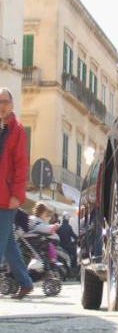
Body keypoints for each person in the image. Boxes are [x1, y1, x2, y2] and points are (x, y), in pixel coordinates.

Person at [0, 87, 34, 299]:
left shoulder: (17, 129)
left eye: (4, 101)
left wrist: (17, 194)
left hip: (7, 197)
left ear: (12, 105)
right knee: (8, 242)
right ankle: (25, 281)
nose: (1, 105)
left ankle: (25, 281)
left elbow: (22, 165)